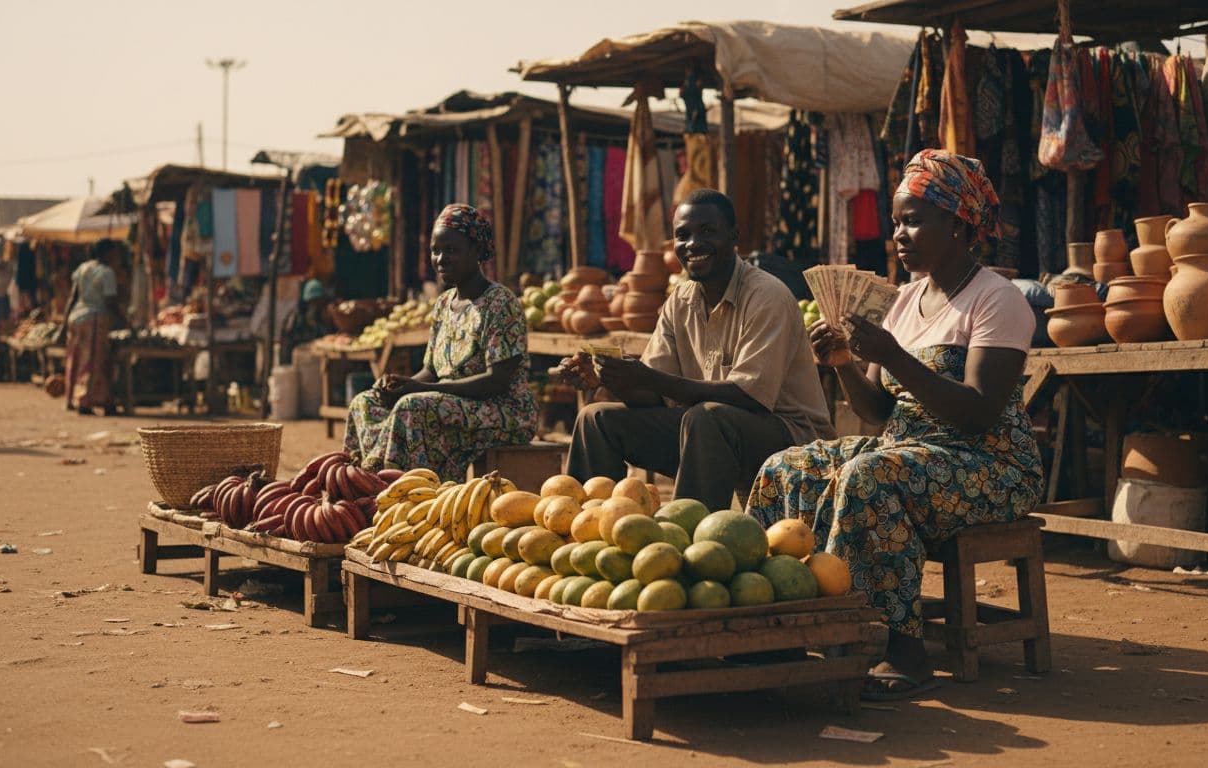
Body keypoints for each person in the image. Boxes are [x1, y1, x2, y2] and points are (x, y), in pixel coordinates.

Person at [747, 150, 1044, 700]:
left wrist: (896, 357)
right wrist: (842, 366)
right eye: (896, 221)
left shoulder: (997, 300)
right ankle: (781, 623)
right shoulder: (904, 299)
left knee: (869, 477)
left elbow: (978, 412)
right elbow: (881, 414)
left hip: (989, 464)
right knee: (787, 467)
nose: (898, 234)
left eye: (913, 220)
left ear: (958, 224)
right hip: (909, 448)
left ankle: (897, 649)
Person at [562, 188, 835, 510]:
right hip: (712, 432)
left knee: (706, 417)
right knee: (596, 419)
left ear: (734, 237)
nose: (693, 244)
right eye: (683, 235)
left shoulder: (767, 295)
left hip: (793, 441)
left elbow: (750, 397)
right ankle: (585, 527)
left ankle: (689, 539)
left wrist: (647, 378)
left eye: (707, 232)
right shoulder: (681, 300)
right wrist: (610, 378)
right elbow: (654, 396)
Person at [344, 204, 537, 478]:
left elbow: (497, 381)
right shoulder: (444, 303)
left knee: (413, 407)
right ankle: (363, 485)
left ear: (477, 251)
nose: (441, 259)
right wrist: (399, 384)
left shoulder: (500, 303)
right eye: (436, 250)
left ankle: (409, 491)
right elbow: (431, 371)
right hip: (452, 403)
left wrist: (417, 390)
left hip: (503, 410)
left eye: (452, 250)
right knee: (366, 402)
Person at [57, 239, 122, 415]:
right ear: (107, 253)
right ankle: (85, 401)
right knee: (93, 362)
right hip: (94, 319)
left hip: (75, 318)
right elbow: (110, 302)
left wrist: (64, 325)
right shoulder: (107, 273)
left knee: (75, 360)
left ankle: (72, 398)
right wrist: (124, 322)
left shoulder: (82, 268)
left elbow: (73, 298)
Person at [279, 279, 334, 364]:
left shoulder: (321, 315)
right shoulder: (296, 317)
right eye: (313, 301)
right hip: (296, 358)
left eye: (318, 301)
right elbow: (287, 343)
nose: (315, 305)